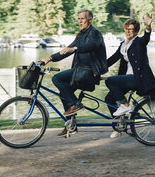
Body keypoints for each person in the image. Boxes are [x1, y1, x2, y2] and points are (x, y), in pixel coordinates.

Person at [41, 9, 108, 137]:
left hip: (90, 71)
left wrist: (75, 48)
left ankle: (76, 104)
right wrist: (49, 58)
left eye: (82, 18)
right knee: (63, 93)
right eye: (78, 19)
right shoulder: (81, 35)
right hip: (80, 71)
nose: (80, 21)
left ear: (90, 19)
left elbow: (91, 46)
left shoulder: (95, 34)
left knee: (57, 79)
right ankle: (71, 125)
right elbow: (67, 51)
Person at [105, 12, 155, 138]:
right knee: (109, 99)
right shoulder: (123, 44)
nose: (128, 32)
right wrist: (96, 69)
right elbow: (112, 59)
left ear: (136, 31)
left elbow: (146, 39)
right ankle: (119, 126)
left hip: (137, 78)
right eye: (126, 29)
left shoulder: (139, 42)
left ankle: (126, 105)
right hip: (127, 79)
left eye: (131, 30)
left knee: (110, 81)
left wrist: (148, 28)